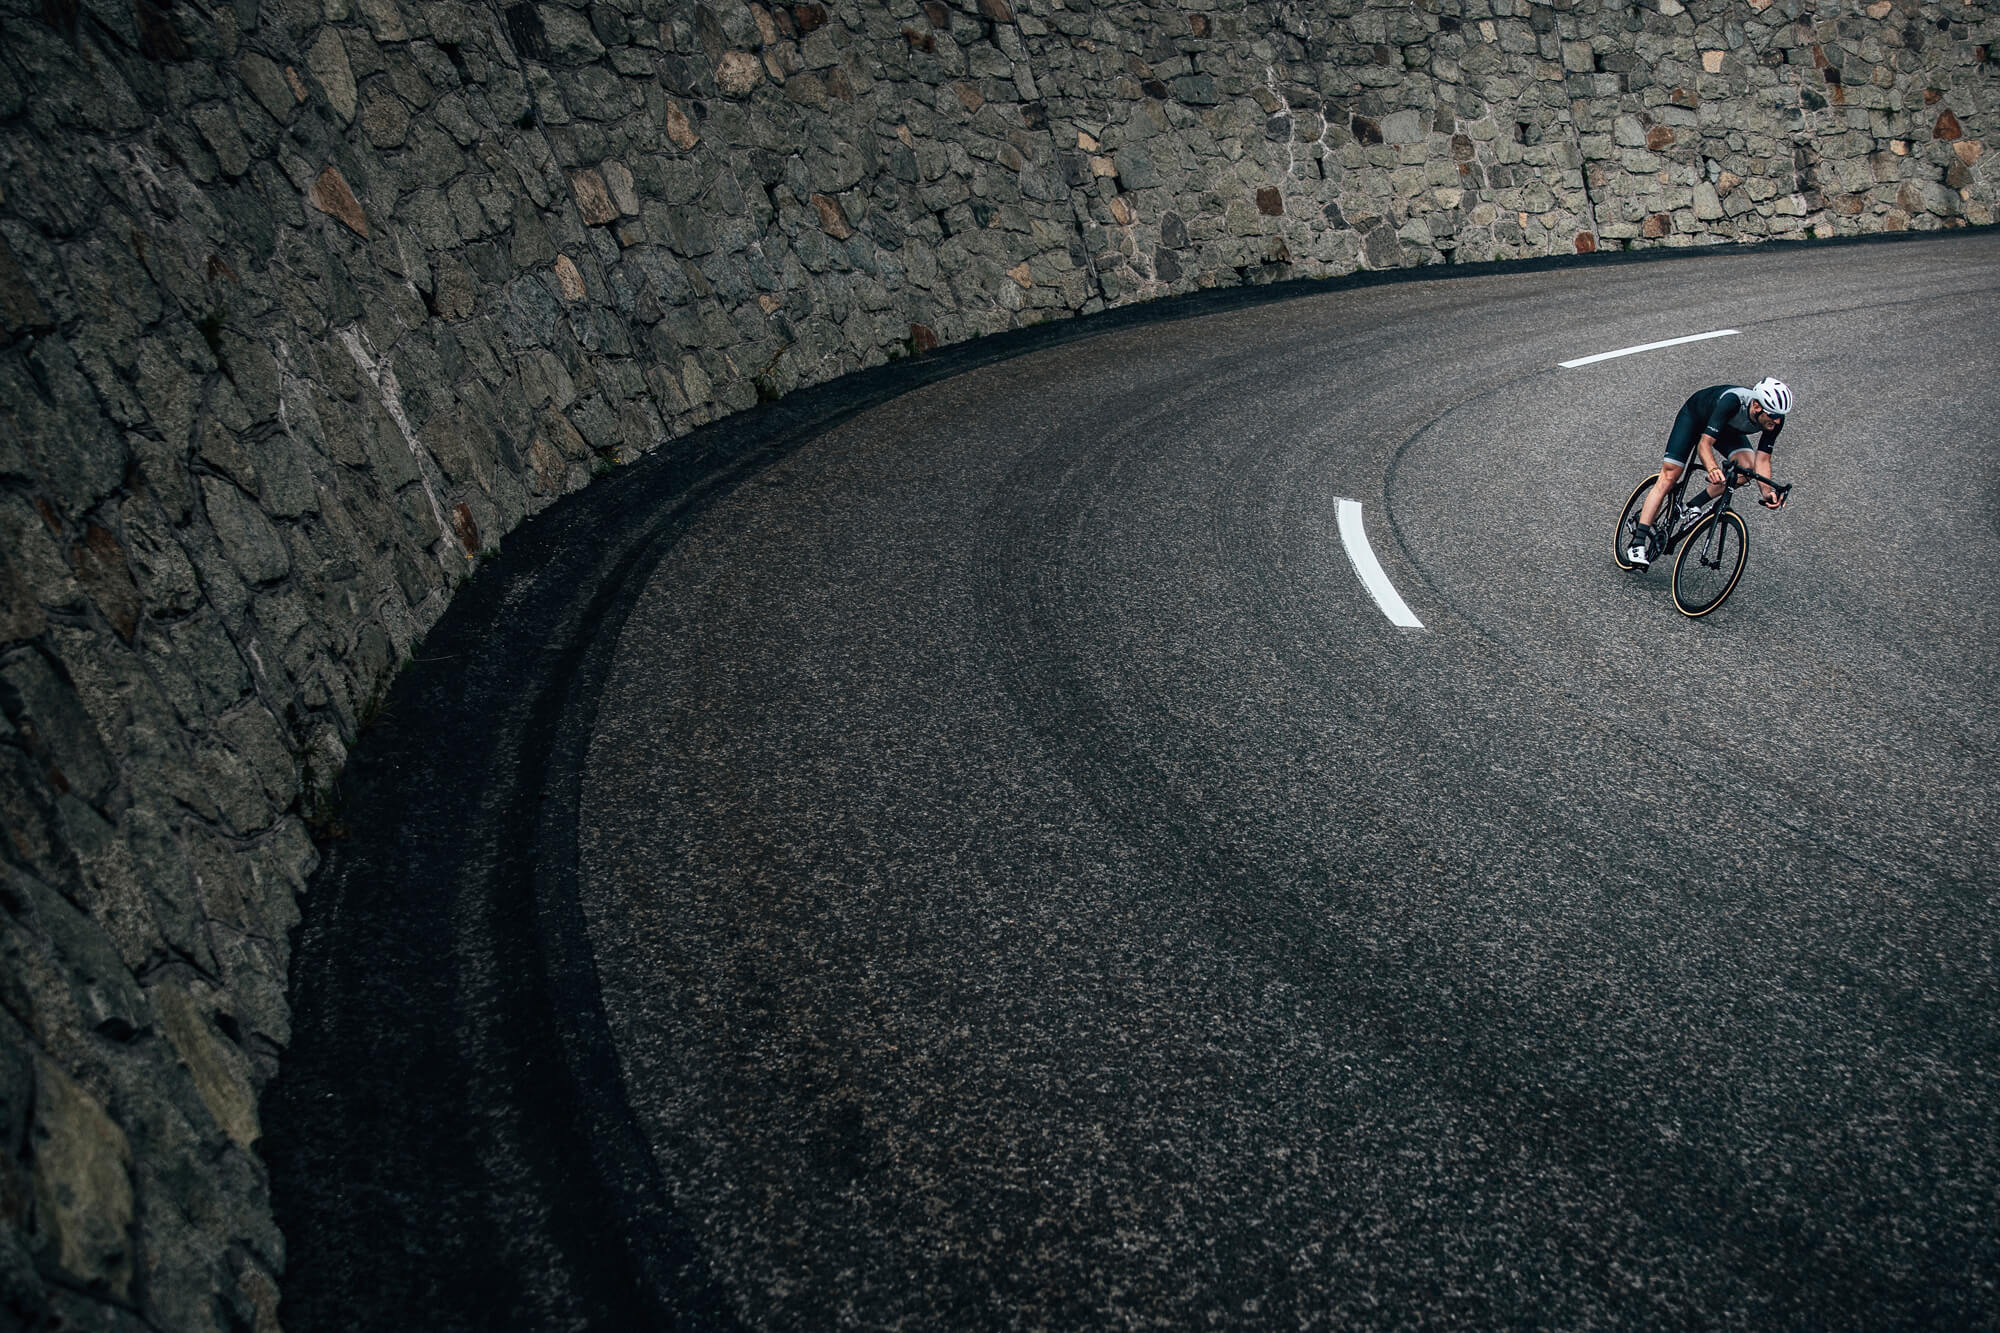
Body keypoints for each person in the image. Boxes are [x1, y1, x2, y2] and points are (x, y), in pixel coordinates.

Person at [1626, 377, 1792, 569]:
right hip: (1695, 418)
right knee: (1670, 476)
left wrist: (1766, 491)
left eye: (1780, 416)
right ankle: (1637, 544)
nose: (1778, 420)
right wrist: (1712, 468)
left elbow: (1762, 459)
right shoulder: (1732, 402)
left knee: (1746, 470)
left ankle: (1693, 506)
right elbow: (1704, 444)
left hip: (1726, 428)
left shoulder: (1776, 419)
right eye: (1773, 415)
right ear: (1756, 406)